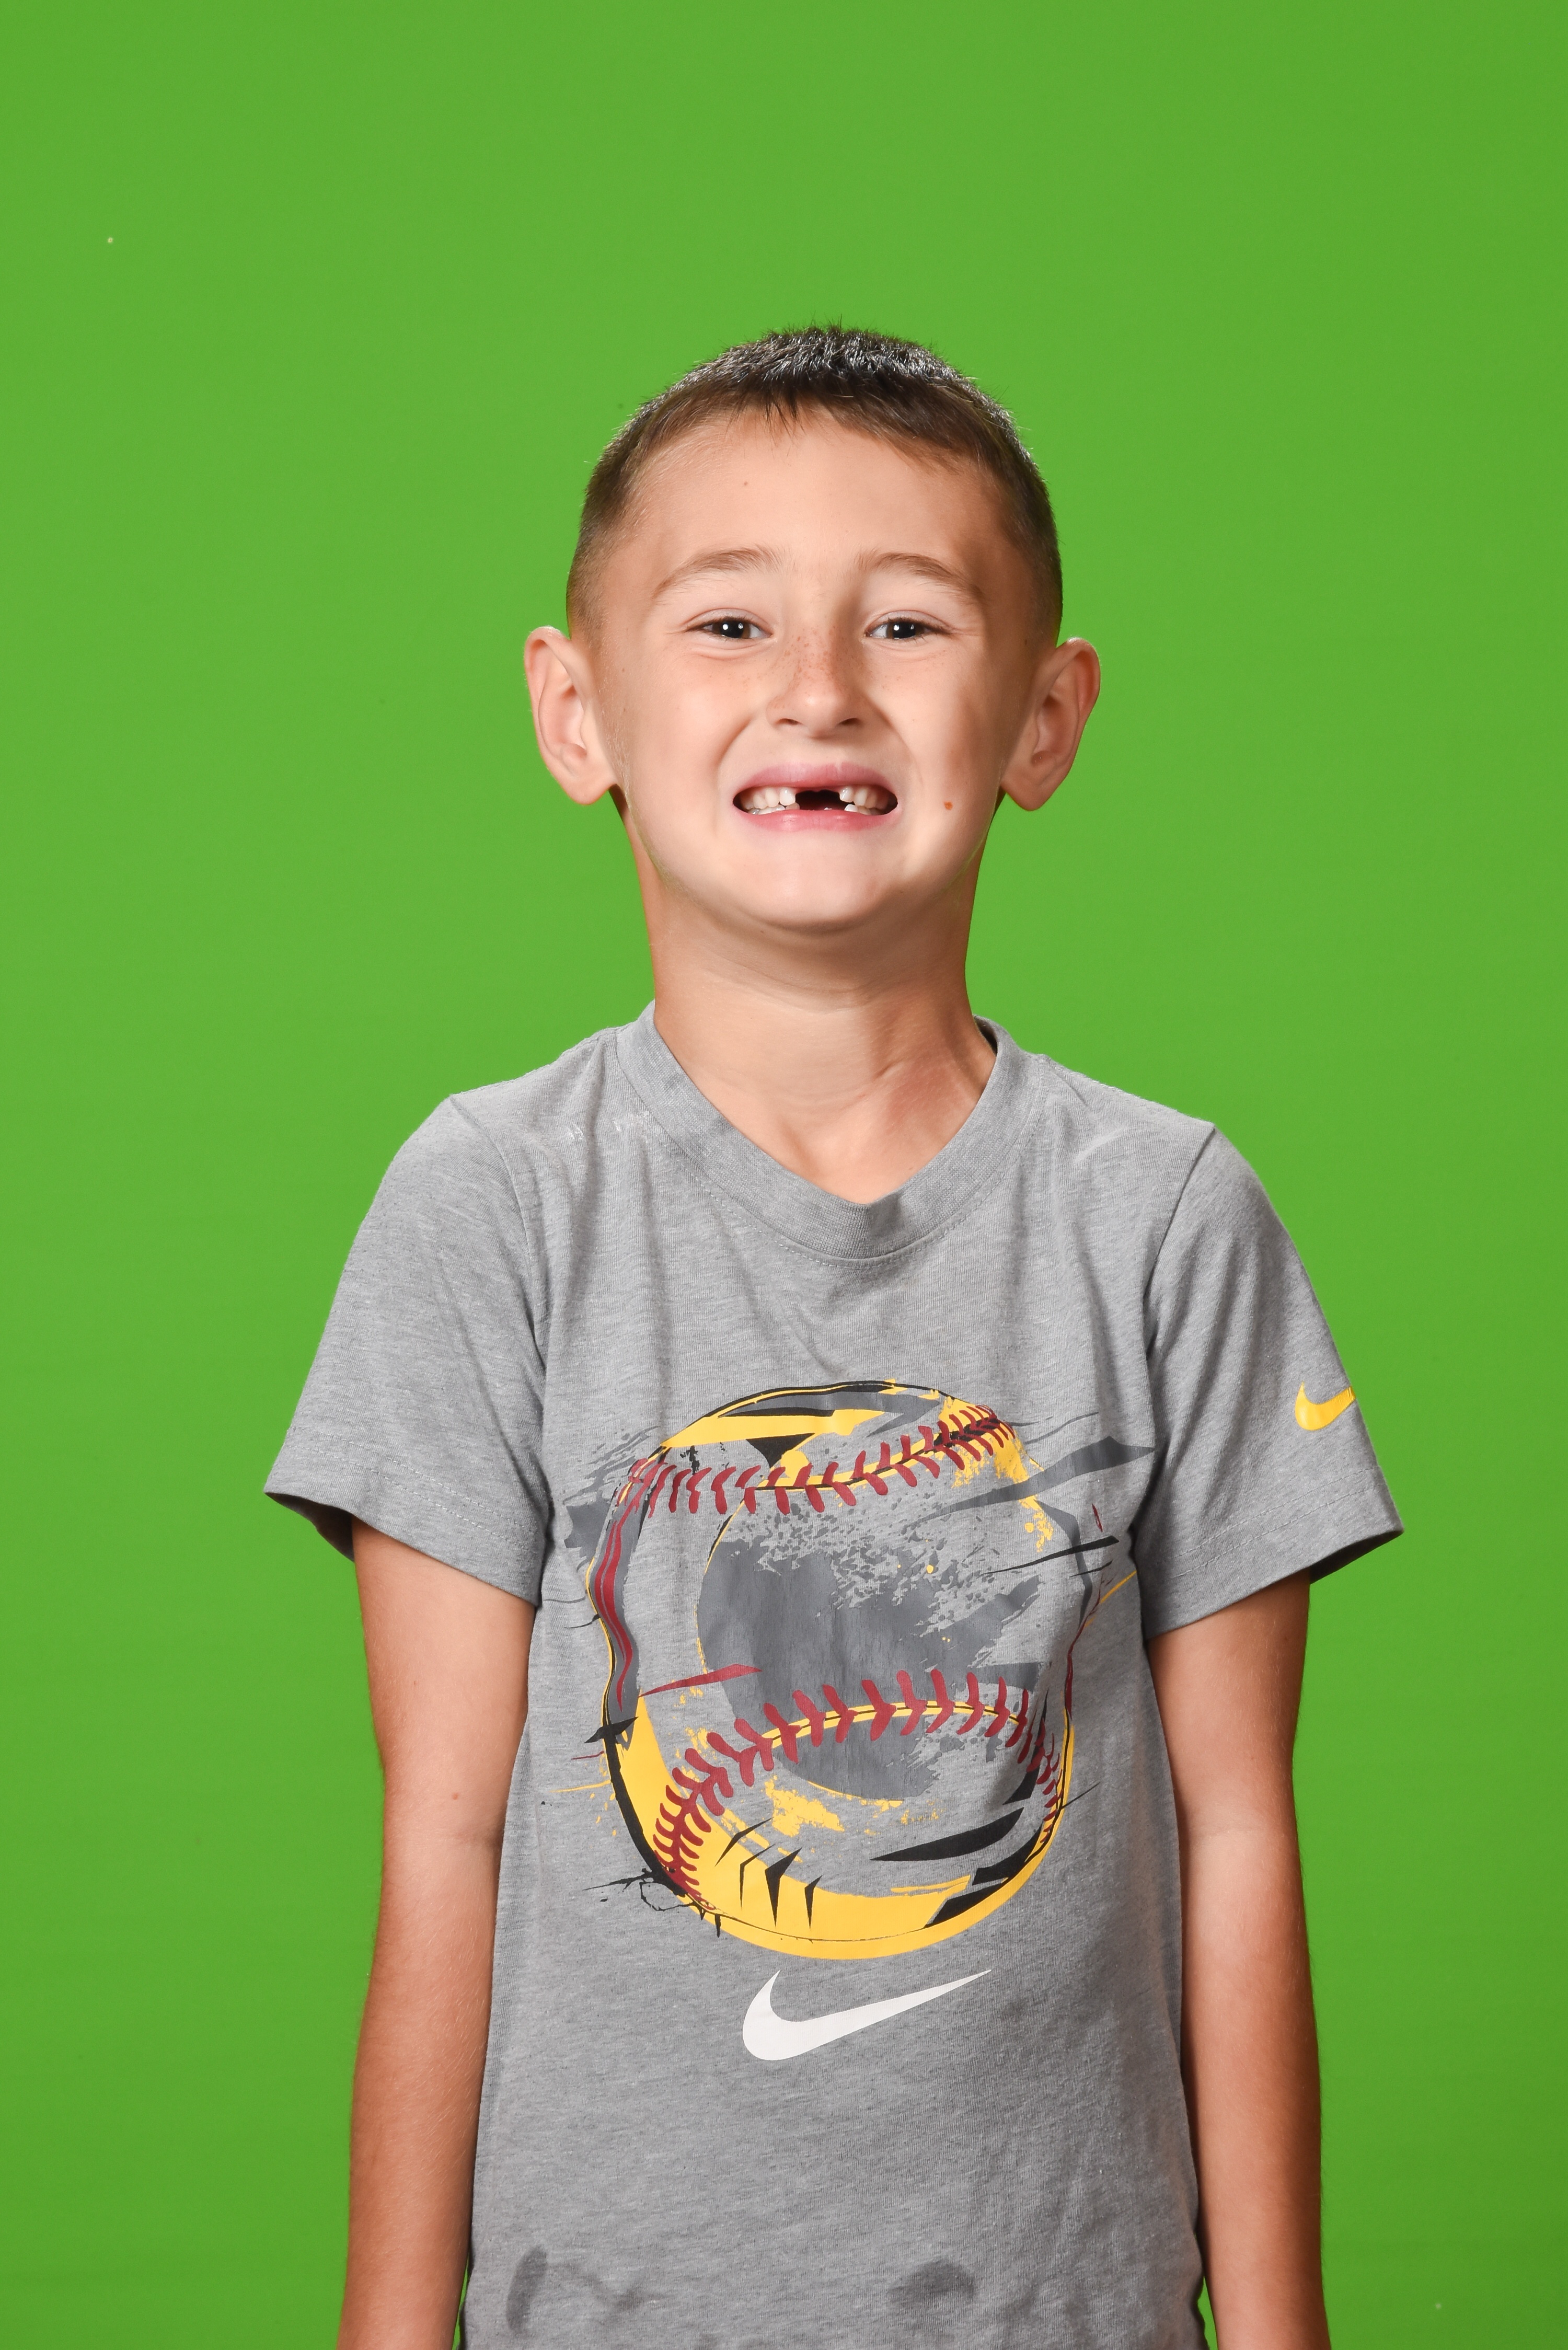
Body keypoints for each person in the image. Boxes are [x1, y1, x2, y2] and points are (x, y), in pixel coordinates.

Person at [267, 327, 1400, 2350]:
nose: (818, 688)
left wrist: (1281, 2327)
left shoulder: (1163, 1215)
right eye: (728, 620)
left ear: (1043, 715)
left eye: (906, 621)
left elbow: (1238, 1829)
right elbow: (443, 1834)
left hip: (1065, 2303)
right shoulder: (491, 1203)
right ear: (577, 709)